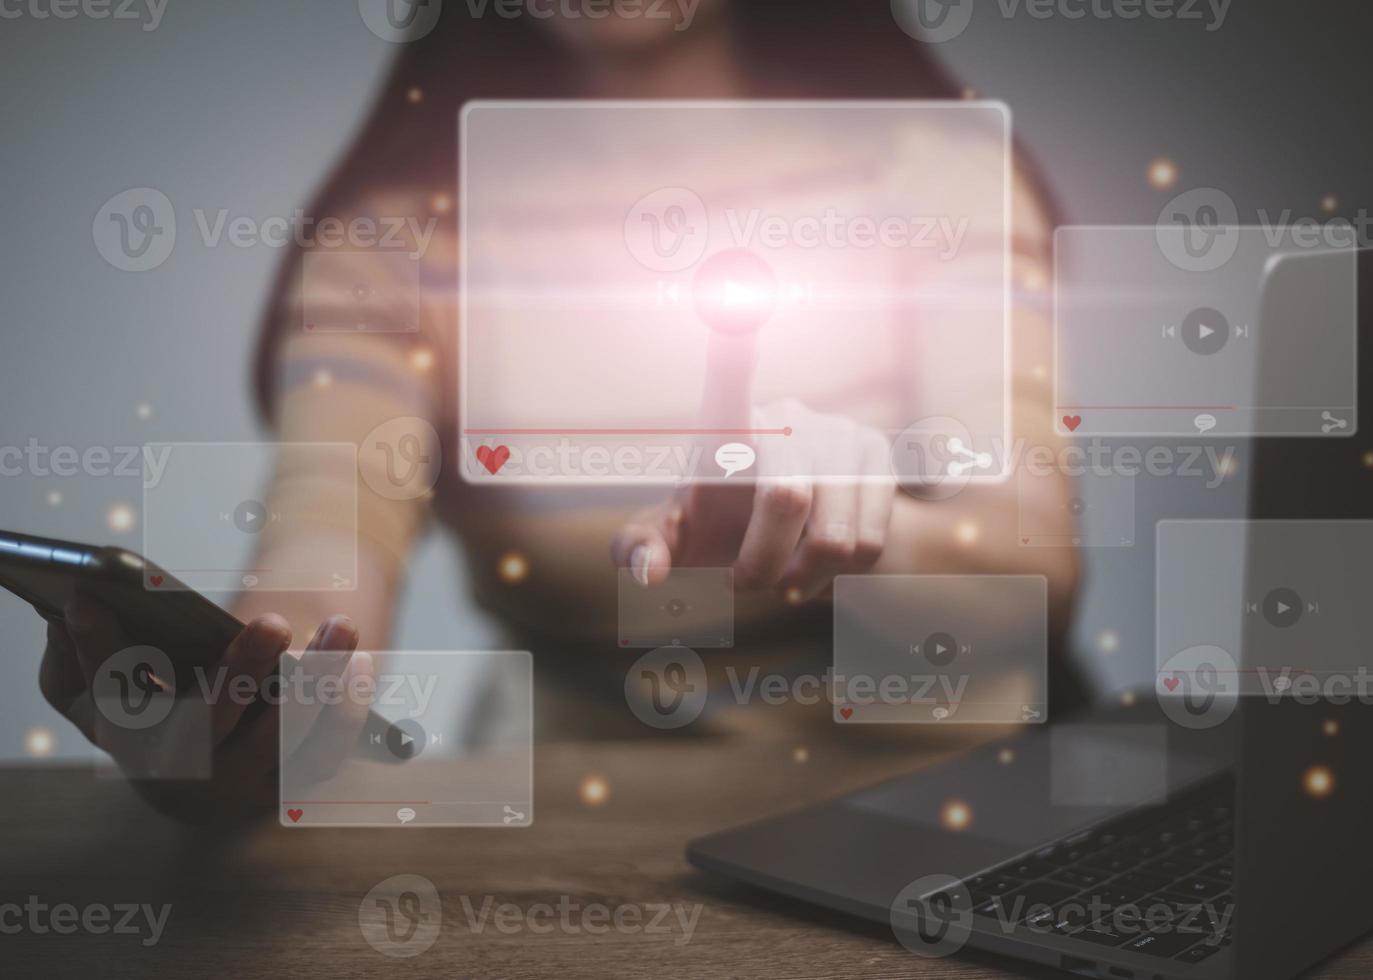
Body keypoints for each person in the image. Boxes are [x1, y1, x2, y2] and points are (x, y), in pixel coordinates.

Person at [37, 0, 1081, 823]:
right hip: (580, 830)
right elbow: (318, 583)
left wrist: (856, 528)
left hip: (946, 803)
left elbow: (1038, 566)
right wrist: (218, 743)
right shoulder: (390, 249)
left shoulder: (933, 174)